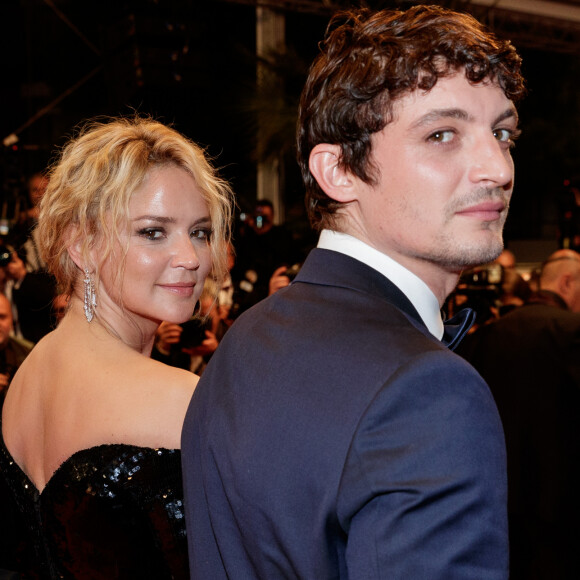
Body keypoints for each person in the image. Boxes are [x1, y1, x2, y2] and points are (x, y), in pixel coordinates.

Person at [182, 5, 525, 579]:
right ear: (338, 170)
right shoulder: (431, 391)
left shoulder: (250, 334)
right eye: (442, 134)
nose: (497, 167)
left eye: (502, 132)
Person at [0, 115, 233, 577]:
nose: (190, 258)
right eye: (153, 232)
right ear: (81, 245)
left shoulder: (29, 373)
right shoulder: (180, 399)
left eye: (200, 232)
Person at [457, 248, 580, 579]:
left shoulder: (486, 335)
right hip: (562, 508)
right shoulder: (572, 331)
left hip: (497, 500)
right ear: (567, 282)